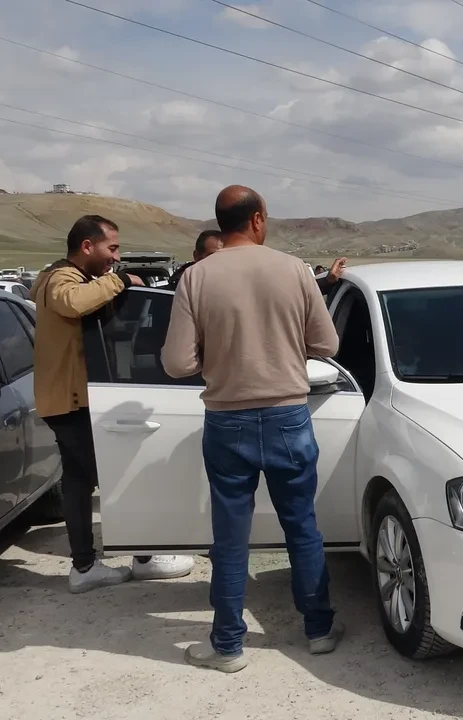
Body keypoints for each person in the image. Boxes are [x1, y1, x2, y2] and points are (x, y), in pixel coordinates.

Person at [163, 186, 343, 672]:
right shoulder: (294, 270)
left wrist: (216, 355)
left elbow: (177, 363)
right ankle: (319, 629)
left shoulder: (196, 277)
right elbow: (327, 344)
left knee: (229, 535)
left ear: (221, 223)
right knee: (301, 525)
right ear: (258, 220)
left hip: (227, 419)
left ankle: (227, 646)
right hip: (288, 415)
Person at [31, 215, 195, 593]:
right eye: (112, 248)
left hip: (66, 399)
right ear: (87, 246)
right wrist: (120, 281)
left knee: (77, 482)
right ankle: (145, 557)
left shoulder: (66, 276)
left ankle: (84, 566)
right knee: (120, 476)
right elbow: (73, 303)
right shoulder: (61, 278)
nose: (115, 258)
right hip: (71, 401)